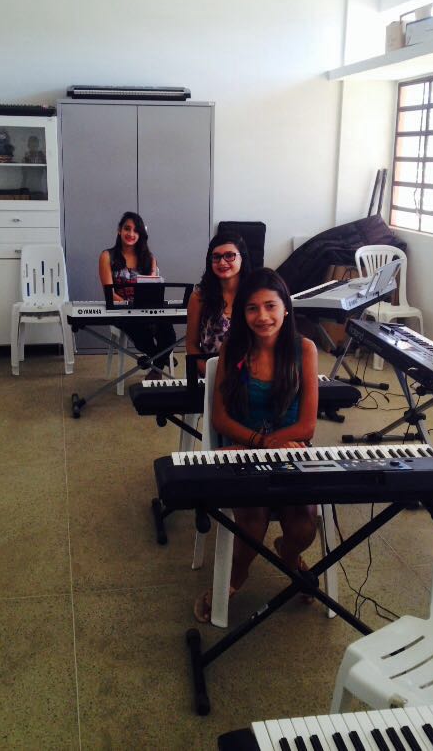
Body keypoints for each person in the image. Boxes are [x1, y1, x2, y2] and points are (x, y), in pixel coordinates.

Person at [194, 268, 319, 623]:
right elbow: (220, 419)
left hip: (290, 451)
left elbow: (307, 425)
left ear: (286, 308)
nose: (262, 316)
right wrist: (261, 444)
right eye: (252, 308)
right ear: (242, 313)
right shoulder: (233, 349)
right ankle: (237, 576)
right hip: (243, 450)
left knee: (304, 525)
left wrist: (273, 445)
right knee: (252, 520)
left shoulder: (304, 349)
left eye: (270, 306)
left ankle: (288, 555)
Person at [99, 211, 176, 379]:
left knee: (167, 331)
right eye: (127, 228)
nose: (131, 234)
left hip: (146, 308)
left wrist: (142, 307)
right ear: (119, 230)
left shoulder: (149, 258)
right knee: (140, 331)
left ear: (141, 235)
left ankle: (156, 366)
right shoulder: (107, 256)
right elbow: (109, 293)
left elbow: (152, 290)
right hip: (121, 310)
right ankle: (161, 360)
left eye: (136, 231)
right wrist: (131, 306)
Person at [185, 232, 251, 375]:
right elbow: (191, 344)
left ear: (242, 258)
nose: (222, 262)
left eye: (229, 255)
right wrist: (211, 374)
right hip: (210, 373)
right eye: (216, 257)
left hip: (251, 374)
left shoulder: (254, 294)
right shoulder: (199, 297)